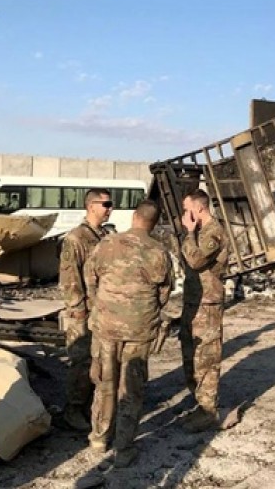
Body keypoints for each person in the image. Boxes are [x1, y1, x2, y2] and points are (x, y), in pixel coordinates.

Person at [84, 199, 172, 468]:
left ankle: (99, 439)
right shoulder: (159, 251)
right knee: (131, 388)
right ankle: (123, 449)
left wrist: (100, 305)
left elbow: (90, 278)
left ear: (134, 217)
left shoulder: (107, 244)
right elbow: (164, 292)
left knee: (104, 382)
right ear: (154, 223)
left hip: (106, 326)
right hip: (139, 328)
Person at [58, 187, 114, 431]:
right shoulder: (76, 238)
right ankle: (73, 409)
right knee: (81, 362)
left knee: (100, 361)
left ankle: (93, 405)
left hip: (103, 310)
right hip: (84, 312)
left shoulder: (105, 236)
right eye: (106, 204)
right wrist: (77, 308)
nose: (110, 208)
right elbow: (69, 278)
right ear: (91, 206)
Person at [179, 188, 229, 432]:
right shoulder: (199, 232)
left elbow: (196, 260)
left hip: (208, 303)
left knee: (206, 356)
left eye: (187, 209)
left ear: (199, 209)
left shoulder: (213, 232)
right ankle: (199, 403)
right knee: (191, 353)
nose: (184, 215)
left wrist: (188, 232)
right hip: (193, 300)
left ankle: (208, 410)